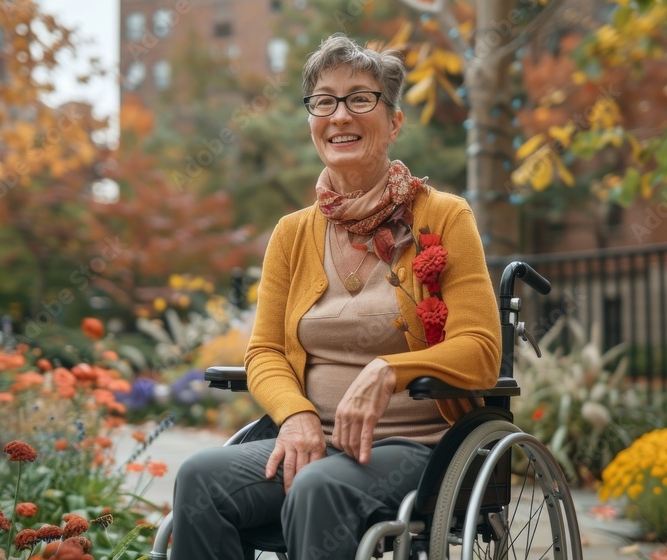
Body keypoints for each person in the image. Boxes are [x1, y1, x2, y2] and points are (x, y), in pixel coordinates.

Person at [170, 33, 501, 559]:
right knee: (199, 479)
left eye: (360, 99)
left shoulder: (444, 216)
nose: (340, 115)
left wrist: (389, 370)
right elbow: (265, 352)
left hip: (416, 449)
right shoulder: (293, 233)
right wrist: (296, 416)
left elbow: (482, 351)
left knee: (318, 486)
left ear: (394, 122)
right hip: (310, 442)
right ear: (311, 123)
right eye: (324, 101)